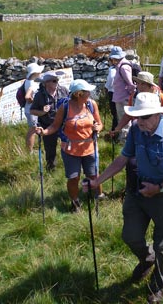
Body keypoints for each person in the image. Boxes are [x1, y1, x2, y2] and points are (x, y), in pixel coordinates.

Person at [82, 92, 163, 304]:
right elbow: (122, 159)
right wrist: (97, 181)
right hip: (139, 190)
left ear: (157, 115)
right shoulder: (136, 130)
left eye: (144, 117)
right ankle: (146, 258)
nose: (138, 121)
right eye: (136, 117)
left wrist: (158, 188)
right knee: (130, 236)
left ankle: (158, 286)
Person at [35, 79, 103, 212]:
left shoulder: (91, 104)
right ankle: (75, 203)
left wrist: (98, 128)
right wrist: (44, 132)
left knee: (93, 175)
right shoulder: (65, 107)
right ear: (78, 94)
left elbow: (99, 123)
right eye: (87, 91)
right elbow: (55, 126)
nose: (90, 93)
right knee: (73, 178)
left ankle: (98, 196)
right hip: (70, 149)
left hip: (90, 148)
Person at [111, 71, 163, 138]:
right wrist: (118, 128)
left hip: (156, 131)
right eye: (138, 83)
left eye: (143, 84)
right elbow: (128, 115)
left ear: (150, 86)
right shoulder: (134, 96)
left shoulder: (160, 96)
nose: (139, 86)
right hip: (138, 130)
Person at [30, 70, 69, 171]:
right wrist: (42, 112)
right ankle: (51, 170)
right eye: (54, 81)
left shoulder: (63, 90)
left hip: (64, 125)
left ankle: (70, 167)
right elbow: (32, 110)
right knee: (50, 150)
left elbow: (71, 104)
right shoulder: (39, 95)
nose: (56, 82)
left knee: (68, 146)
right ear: (46, 83)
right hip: (47, 125)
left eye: (57, 80)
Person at [110, 46, 136, 141]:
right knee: (121, 118)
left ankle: (125, 140)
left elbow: (130, 84)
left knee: (124, 119)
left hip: (124, 97)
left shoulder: (124, 67)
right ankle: (124, 138)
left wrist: (129, 98)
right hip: (120, 96)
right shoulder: (120, 66)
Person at [23, 62, 44, 152]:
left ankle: (30, 149)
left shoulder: (27, 81)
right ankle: (30, 151)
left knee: (32, 130)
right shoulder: (32, 84)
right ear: (35, 73)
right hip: (32, 110)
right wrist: (35, 102)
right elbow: (27, 97)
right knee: (33, 130)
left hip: (29, 110)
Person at [104, 62, 119, 131]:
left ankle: (114, 131)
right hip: (120, 92)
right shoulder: (120, 68)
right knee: (117, 112)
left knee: (115, 112)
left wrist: (106, 87)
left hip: (112, 92)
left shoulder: (113, 69)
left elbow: (111, 79)